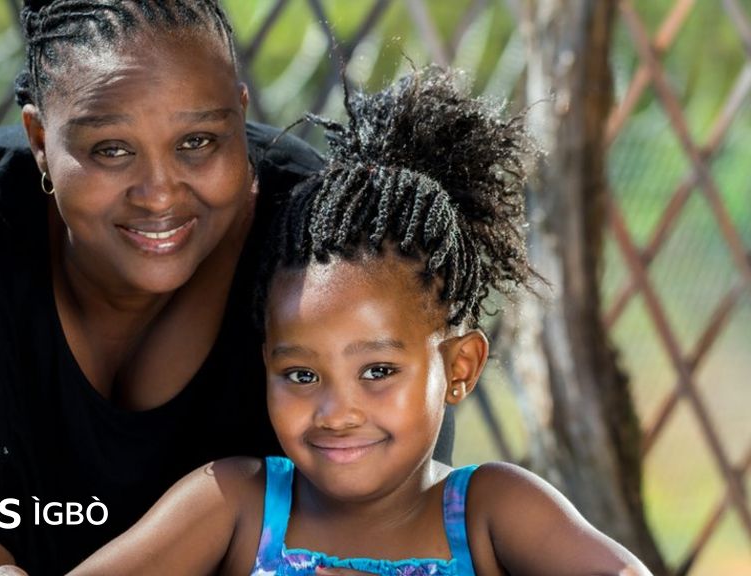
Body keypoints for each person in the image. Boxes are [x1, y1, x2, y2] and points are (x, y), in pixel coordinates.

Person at [0, 2, 454, 575]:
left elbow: (390, 532)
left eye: (199, 141)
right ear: (39, 141)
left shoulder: (334, 258)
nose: (159, 194)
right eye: (111, 149)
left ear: (240, 113)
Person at [67, 67, 653, 576]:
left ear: (459, 367)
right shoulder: (235, 504)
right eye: (301, 375)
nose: (337, 412)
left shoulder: (490, 510)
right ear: (265, 364)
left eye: (377, 370)